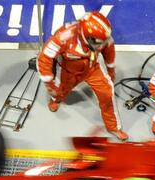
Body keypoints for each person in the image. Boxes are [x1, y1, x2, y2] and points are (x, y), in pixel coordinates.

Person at [38, 11, 127, 141]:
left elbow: (109, 50)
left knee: (107, 93)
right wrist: (49, 84)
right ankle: (55, 100)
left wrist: (111, 70)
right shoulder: (62, 37)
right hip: (69, 71)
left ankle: (114, 127)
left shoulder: (103, 38)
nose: (101, 45)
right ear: (87, 37)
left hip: (92, 68)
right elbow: (44, 58)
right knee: (60, 91)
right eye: (98, 43)